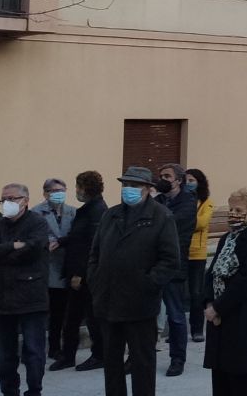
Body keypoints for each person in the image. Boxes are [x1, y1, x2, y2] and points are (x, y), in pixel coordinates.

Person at [88, 166, 182, 396]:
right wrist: (96, 280)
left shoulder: (161, 216)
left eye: (134, 185)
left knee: (142, 362)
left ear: (148, 189)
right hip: (108, 300)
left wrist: (147, 283)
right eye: (125, 185)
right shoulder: (111, 214)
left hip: (140, 304)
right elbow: (95, 254)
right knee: (111, 362)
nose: (128, 189)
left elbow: (170, 260)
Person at [0, 183, 51, 396]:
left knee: (34, 351)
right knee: (5, 354)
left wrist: (1, 252)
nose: (7, 203)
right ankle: (9, 391)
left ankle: (34, 390)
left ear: (26, 201)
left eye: (12, 198)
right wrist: (13, 246)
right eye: (4, 199)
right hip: (2, 296)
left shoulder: (38, 223)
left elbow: (32, 249)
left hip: (32, 296)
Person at [202, 188, 247, 396]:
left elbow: (246, 282)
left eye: (238, 210)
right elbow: (212, 272)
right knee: (220, 376)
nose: (233, 213)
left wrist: (219, 306)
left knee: (239, 377)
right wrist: (208, 303)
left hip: (241, 318)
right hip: (219, 319)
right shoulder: (226, 238)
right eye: (231, 209)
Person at [59, 171, 107, 372]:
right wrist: (60, 242)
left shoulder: (96, 211)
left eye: (78, 187)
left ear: (86, 188)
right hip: (78, 272)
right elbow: (78, 238)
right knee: (72, 318)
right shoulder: (88, 209)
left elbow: (91, 245)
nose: (76, 191)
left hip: (86, 275)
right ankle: (68, 355)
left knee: (89, 317)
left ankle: (99, 355)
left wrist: (80, 273)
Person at [153, 164, 196, 377]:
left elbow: (168, 222)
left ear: (178, 181)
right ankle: (139, 356)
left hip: (174, 266)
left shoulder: (187, 202)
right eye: (160, 175)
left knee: (175, 315)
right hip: (152, 265)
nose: (162, 179)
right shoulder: (158, 200)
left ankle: (177, 359)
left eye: (166, 176)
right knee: (147, 312)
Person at [30, 178, 75, 365]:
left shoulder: (73, 212)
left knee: (59, 312)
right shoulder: (36, 212)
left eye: (62, 190)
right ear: (46, 193)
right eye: (55, 190)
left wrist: (64, 241)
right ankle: (33, 348)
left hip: (64, 266)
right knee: (39, 312)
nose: (59, 194)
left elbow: (76, 234)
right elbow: (33, 234)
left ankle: (55, 347)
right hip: (45, 265)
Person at [185, 168, 214, 343]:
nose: (188, 184)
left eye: (191, 180)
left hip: (197, 253)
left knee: (196, 293)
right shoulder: (181, 201)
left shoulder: (206, 203)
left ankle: (197, 330)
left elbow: (201, 223)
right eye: (186, 181)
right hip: (180, 252)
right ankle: (177, 330)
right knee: (177, 294)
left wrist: (182, 219)